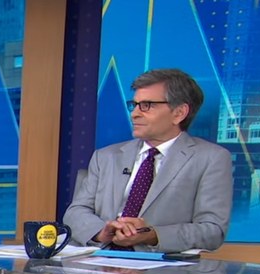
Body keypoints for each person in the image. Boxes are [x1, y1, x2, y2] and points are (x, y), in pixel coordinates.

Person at [63, 68, 232, 252]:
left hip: (160, 271)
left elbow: (212, 231)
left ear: (179, 113)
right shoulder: (105, 157)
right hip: (99, 262)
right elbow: (75, 212)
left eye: (147, 105)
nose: (134, 113)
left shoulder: (210, 158)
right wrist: (101, 232)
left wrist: (152, 235)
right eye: (134, 105)